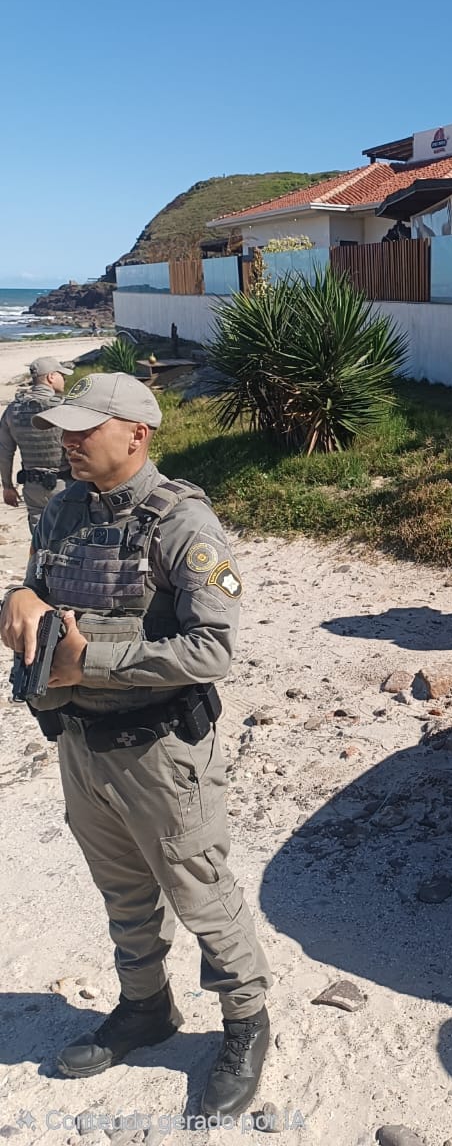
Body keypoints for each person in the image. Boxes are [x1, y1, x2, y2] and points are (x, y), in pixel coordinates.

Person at [0, 374, 271, 1120]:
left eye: (88, 428)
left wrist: (94, 661)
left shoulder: (182, 524)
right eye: (67, 427)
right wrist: (14, 600)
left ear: (138, 434)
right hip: (81, 745)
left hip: (163, 752)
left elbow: (213, 649)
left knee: (201, 895)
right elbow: (39, 597)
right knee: (123, 892)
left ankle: (246, 1023)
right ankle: (146, 1007)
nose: (70, 440)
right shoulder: (60, 509)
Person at [0, 356, 74, 530]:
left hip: (32, 487)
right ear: (51, 377)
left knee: (40, 542)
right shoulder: (64, 408)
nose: (64, 379)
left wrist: (7, 486)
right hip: (65, 485)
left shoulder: (13, 410)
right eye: (62, 375)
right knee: (69, 540)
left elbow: (4, 451)